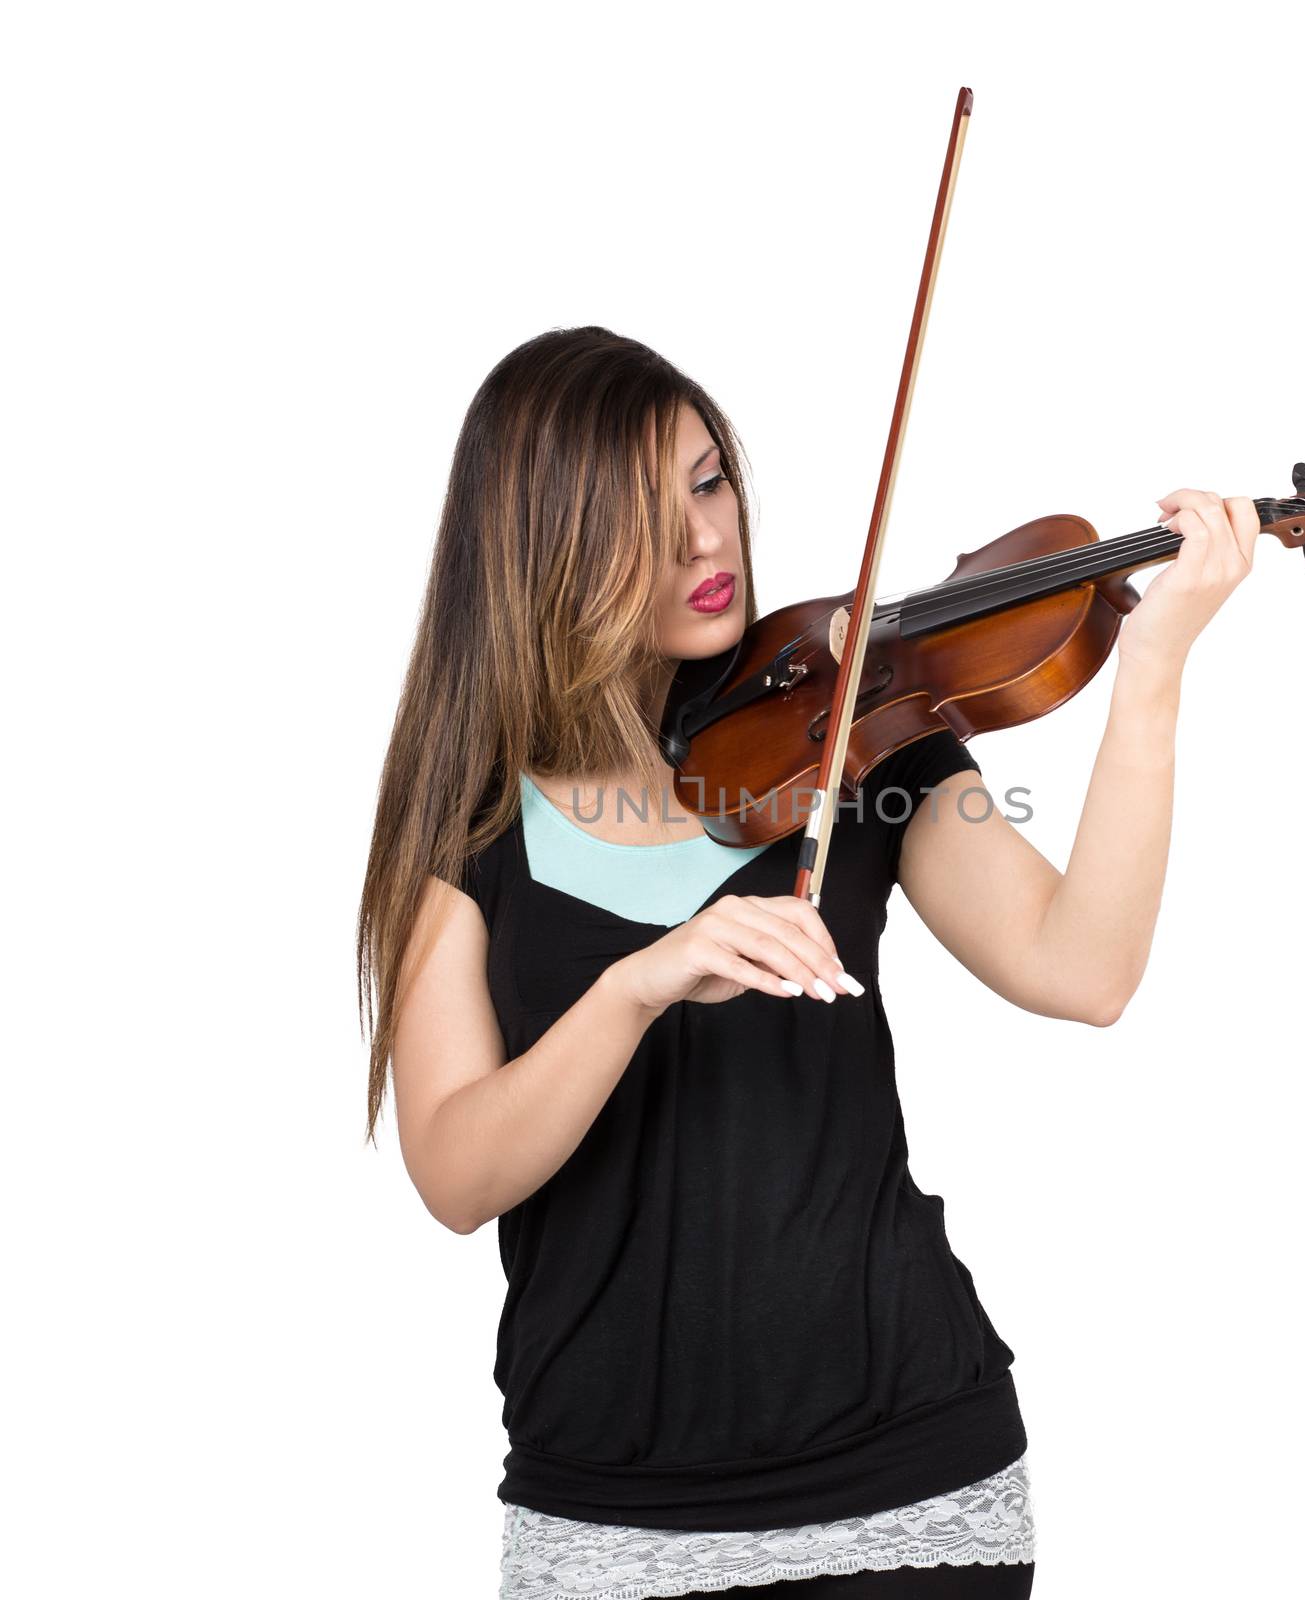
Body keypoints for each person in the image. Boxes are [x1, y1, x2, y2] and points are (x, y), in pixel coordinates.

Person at [356, 325, 1258, 1599]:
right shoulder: (473, 826)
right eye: (640, 511)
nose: (706, 539)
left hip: (908, 1476)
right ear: (540, 541)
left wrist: (1150, 666)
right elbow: (454, 1173)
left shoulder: (851, 728)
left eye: (709, 480)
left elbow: (1081, 967)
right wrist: (636, 986)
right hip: (607, 1510)